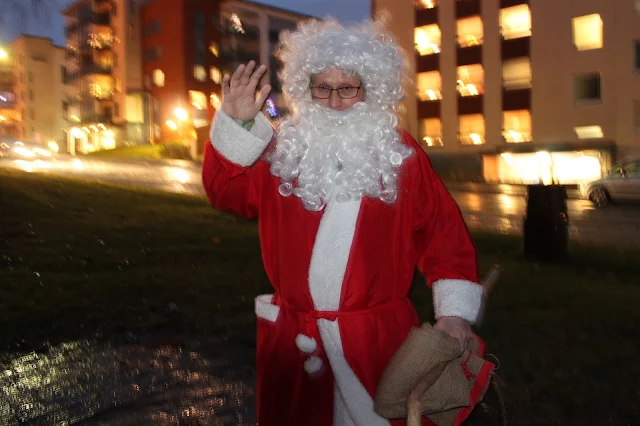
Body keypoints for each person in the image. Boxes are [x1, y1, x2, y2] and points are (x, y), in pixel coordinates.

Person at [202, 18, 486, 426]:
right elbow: (225, 193)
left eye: (348, 88)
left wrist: (454, 313)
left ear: (370, 89)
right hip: (295, 343)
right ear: (306, 88)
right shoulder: (282, 151)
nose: (334, 102)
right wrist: (238, 125)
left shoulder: (401, 154)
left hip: (376, 340)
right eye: (323, 87)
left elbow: (443, 234)